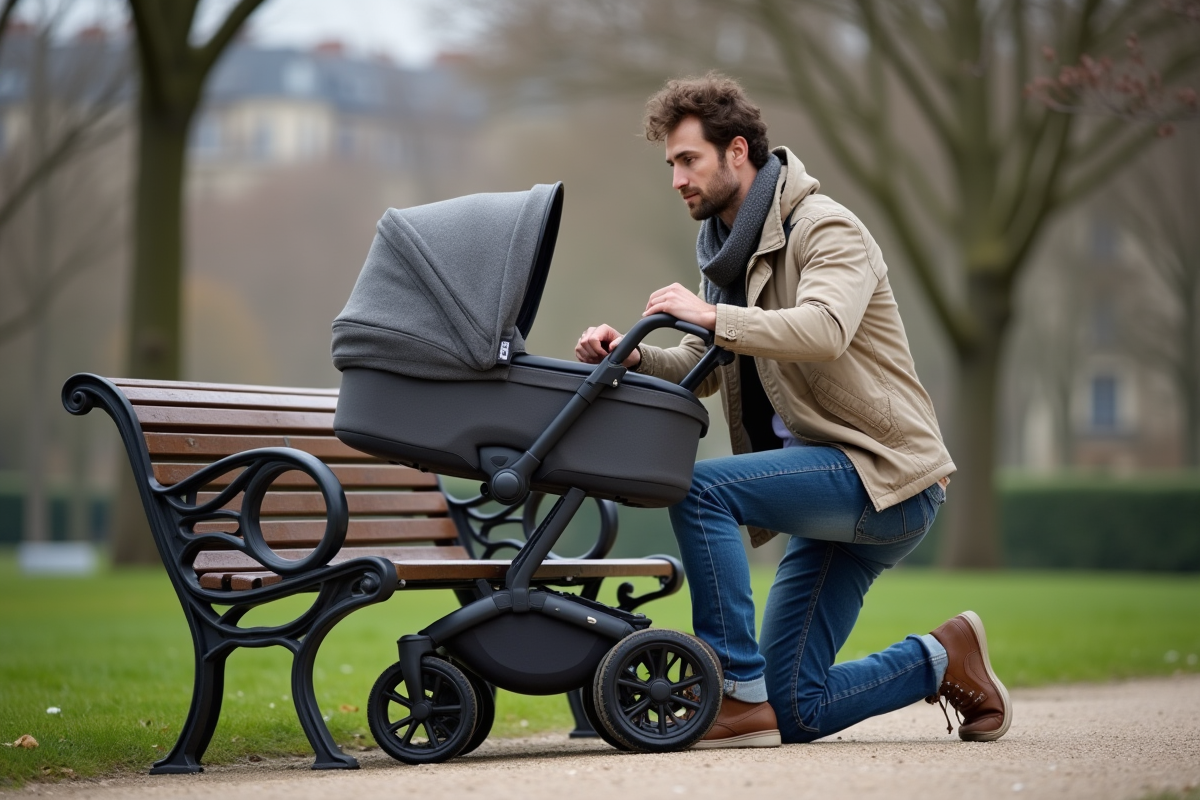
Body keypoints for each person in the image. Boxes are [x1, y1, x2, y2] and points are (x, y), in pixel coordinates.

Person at [575, 74, 1011, 749]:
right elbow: (703, 364)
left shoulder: (828, 227)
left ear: (737, 151)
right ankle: (941, 658)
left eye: (688, 160)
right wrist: (631, 359)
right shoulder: (726, 253)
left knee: (699, 489)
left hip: (884, 475)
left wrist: (714, 314)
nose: (676, 179)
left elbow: (823, 329)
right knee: (799, 710)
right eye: (670, 164)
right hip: (830, 482)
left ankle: (733, 684)